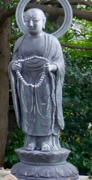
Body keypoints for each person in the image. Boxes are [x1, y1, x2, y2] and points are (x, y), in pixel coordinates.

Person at [10, 9, 65, 152]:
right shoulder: (20, 42)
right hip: (26, 81)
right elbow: (15, 62)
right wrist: (15, 66)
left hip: (46, 82)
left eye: (35, 20)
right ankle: (30, 139)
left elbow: (60, 63)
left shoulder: (52, 41)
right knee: (28, 109)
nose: (31, 23)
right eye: (27, 20)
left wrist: (53, 67)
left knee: (45, 109)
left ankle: (46, 140)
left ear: (44, 22)